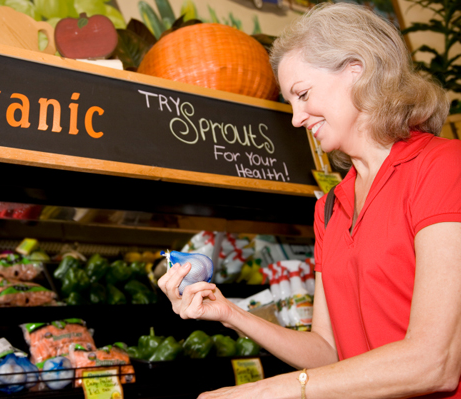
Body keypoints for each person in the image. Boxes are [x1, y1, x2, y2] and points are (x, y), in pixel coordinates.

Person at [157, 3, 461, 398]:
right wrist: (229, 313)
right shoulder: (330, 208)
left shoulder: (442, 167)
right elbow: (329, 352)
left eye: (302, 94)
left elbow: (434, 364)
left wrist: (263, 392)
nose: (297, 118)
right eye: (290, 102)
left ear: (357, 71)